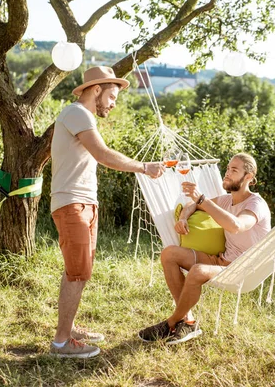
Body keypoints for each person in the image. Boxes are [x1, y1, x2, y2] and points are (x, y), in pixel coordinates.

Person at [49, 66, 165, 358]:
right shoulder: (76, 113)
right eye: (112, 96)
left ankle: (69, 328)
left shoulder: (84, 117)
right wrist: (144, 167)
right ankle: (61, 344)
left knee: (79, 270)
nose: (113, 103)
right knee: (78, 272)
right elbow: (102, 154)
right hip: (71, 202)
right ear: (96, 90)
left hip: (86, 202)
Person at [138, 153, 271, 345]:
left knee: (197, 270)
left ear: (248, 177)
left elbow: (236, 225)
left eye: (234, 170)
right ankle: (188, 321)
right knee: (169, 254)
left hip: (242, 268)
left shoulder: (255, 204)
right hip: (221, 261)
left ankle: (172, 322)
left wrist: (203, 199)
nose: (227, 174)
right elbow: (193, 205)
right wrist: (184, 216)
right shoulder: (226, 200)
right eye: (227, 169)